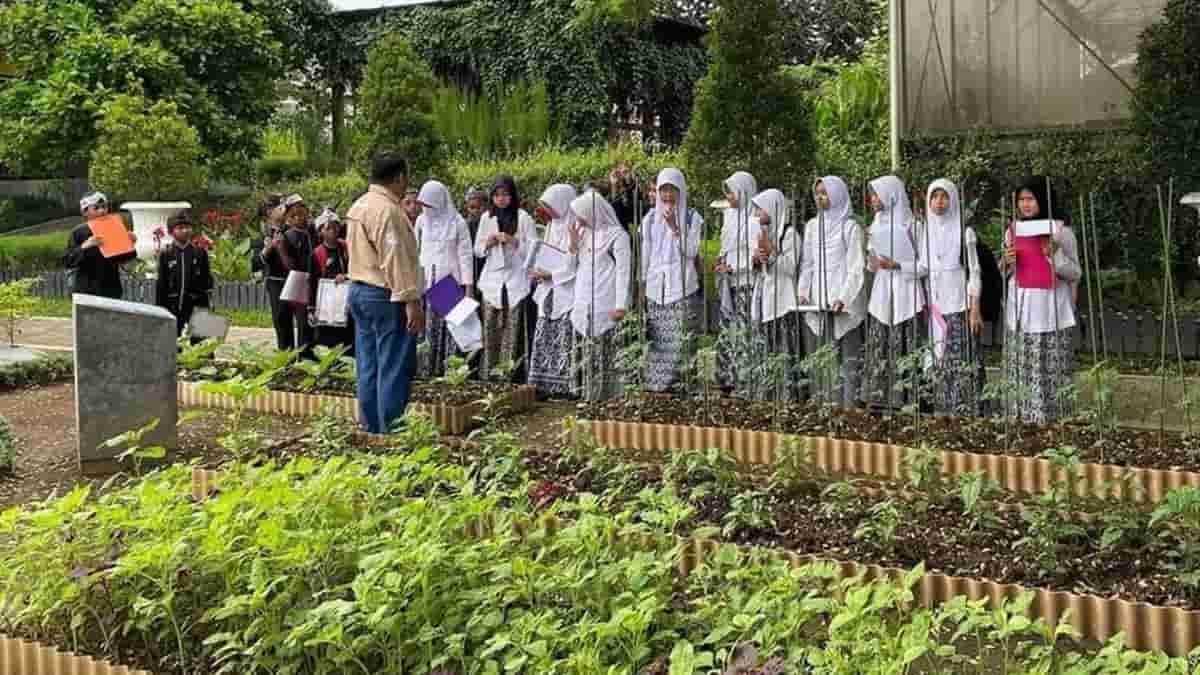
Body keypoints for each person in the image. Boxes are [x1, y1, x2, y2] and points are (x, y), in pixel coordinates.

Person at [345, 153, 425, 434]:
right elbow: (395, 258)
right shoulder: (387, 210)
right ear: (399, 178)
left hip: (359, 289)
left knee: (368, 364)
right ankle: (390, 430)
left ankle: (372, 427)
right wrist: (411, 301)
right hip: (384, 294)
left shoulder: (360, 205)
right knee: (393, 364)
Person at [1001, 175, 1081, 425]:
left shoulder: (1062, 232)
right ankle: (1022, 417)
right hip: (1022, 310)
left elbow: (1075, 273)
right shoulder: (1012, 231)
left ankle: (1053, 421)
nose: (1025, 204)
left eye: (1030, 199)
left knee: (1049, 368)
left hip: (1051, 310)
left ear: (1043, 200)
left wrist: (1055, 254)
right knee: (1023, 368)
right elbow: (1005, 272)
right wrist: (1006, 262)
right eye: (1021, 200)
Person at [797, 176, 867, 408]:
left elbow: (857, 266)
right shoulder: (811, 227)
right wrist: (804, 291)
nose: (820, 197)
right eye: (817, 193)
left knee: (848, 360)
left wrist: (844, 298)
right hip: (818, 299)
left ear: (837, 194)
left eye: (825, 192)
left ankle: (849, 412)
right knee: (823, 358)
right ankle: (825, 408)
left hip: (842, 302)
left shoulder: (850, 227)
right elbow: (807, 264)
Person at [919, 179, 985, 416]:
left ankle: (968, 415)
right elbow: (923, 268)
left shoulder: (964, 232)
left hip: (958, 306)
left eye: (944, 196)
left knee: (961, 364)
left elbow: (974, 271)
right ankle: (945, 415)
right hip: (936, 307)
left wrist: (974, 307)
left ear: (953, 199)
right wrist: (893, 263)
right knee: (940, 363)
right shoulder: (925, 231)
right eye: (934, 197)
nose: (939, 202)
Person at [862, 175, 926, 411]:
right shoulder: (876, 223)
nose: (872, 199)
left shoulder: (914, 225)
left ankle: (909, 404)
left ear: (891, 194)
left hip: (907, 295)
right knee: (880, 349)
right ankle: (880, 403)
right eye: (871, 195)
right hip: (882, 296)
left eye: (876, 194)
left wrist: (898, 265)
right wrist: (869, 249)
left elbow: (925, 266)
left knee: (906, 350)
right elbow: (871, 266)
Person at [641, 168, 703, 393]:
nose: (667, 195)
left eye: (672, 190)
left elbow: (691, 251)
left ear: (680, 191)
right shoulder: (649, 219)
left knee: (681, 339)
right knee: (659, 338)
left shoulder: (692, 217)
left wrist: (675, 227)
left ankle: (683, 387)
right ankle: (659, 388)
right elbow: (646, 254)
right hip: (657, 289)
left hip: (682, 285)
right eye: (663, 190)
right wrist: (643, 284)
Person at [568, 190, 632, 401]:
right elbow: (573, 267)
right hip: (583, 301)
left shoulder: (618, 236)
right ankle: (587, 397)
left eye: (582, 215)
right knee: (586, 354)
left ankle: (608, 400)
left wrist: (621, 305)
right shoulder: (584, 234)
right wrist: (573, 244)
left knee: (606, 354)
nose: (579, 220)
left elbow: (624, 272)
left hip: (606, 302)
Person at [475, 175, 536, 382]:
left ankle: (511, 377)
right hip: (492, 281)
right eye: (497, 195)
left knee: (513, 328)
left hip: (515, 280)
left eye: (505, 195)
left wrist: (514, 241)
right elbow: (477, 250)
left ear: (513, 195)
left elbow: (534, 250)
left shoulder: (523, 217)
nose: (501, 199)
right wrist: (488, 243)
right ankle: (489, 375)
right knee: (491, 328)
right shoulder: (487, 218)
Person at [414, 180, 474, 378]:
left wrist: (468, 288)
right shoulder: (421, 221)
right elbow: (415, 250)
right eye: (424, 204)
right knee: (427, 330)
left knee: (451, 332)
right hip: (425, 282)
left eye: (430, 204)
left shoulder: (457, 223)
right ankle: (425, 372)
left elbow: (466, 256)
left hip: (449, 283)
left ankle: (450, 375)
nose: (426, 208)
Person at [751, 188, 804, 402]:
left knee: (784, 349)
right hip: (765, 297)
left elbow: (791, 267)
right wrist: (756, 260)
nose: (757, 214)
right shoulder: (762, 234)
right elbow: (761, 267)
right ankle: (768, 396)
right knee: (767, 349)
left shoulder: (789, 234)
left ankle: (787, 398)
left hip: (783, 301)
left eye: (760, 209)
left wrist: (772, 253)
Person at [528, 184, 579, 398]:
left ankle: (564, 388)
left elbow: (573, 261)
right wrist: (538, 271)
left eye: (552, 205)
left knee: (562, 336)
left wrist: (551, 275)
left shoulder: (576, 226)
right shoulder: (551, 226)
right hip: (547, 291)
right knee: (544, 335)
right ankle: (541, 385)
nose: (549, 210)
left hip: (566, 290)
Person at [714, 171, 760, 395]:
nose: (729, 197)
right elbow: (725, 248)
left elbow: (755, 255)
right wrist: (721, 263)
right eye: (728, 192)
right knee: (727, 331)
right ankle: (726, 380)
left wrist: (736, 267)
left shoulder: (754, 219)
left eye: (732, 192)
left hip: (746, 282)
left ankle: (744, 380)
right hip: (728, 282)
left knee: (744, 331)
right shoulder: (728, 217)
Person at [261, 194, 316, 354]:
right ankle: (287, 360)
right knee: (282, 322)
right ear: (268, 212)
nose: (282, 207)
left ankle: (306, 358)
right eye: (278, 206)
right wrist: (269, 248)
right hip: (277, 283)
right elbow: (257, 263)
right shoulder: (263, 235)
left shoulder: (296, 230)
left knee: (304, 321)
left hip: (299, 280)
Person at [63, 191, 138, 299]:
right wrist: (85, 246)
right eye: (96, 208)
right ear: (85, 212)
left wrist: (130, 243)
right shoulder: (79, 232)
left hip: (111, 288)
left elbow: (125, 258)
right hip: (86, 290)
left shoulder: (114, 227)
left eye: (104, 207)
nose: (102, 211)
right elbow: (67, 261)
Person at [154, 209, 213, 340]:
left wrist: (207, 308)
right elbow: (161, 285)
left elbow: (206, 281)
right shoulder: (166, 254)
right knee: (173, 342)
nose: (185, 231)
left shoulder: (199, 253)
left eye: (187, 227)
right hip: (173, 306)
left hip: (196, 306)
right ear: (171, 232)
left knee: (201, 344)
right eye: (180, 228)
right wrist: (160, 310)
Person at [308, 208, 355, 355]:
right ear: (320, 231)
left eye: (335, 226)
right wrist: (311, 309)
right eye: (328, 228)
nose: (333, 230)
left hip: (348, 301)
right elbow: (312, 282)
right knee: (328, 339)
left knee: (348, 338)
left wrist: (346, 276)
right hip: (327, 304)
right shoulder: (317, 254)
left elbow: (357, 269)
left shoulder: (347, 248)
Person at [608, 161, 637, 230]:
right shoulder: (612, 190)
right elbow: (613, 208)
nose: (626, 175)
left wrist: (631, 182)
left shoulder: (634, 188)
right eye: (623, 172)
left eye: (627, 172)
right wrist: (614, 185)